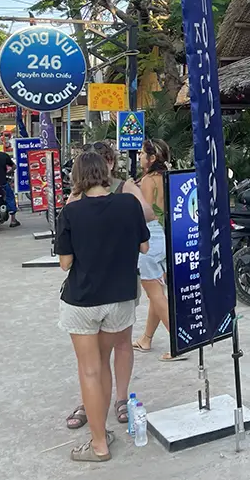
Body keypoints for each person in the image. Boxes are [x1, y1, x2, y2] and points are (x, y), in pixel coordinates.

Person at [56, 151, 149, 463]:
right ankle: (104, 430)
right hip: (120, 298)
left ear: (78, 179)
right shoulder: (128, 204)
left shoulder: (72, 212)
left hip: (83, 300)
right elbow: (144, 245)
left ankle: (99, 444)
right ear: (107, 172)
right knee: (105, 361)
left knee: (89, 369)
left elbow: (65, 263)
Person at [133, 139, 182, 361]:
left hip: (151, 236)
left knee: (154, 292)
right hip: (168, 235)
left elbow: (144, 213)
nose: (140, 157)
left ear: (152, 158)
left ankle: (177, 343)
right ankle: (146, 339)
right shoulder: (169, 178)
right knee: (157, 292)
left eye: (143, 154)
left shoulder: (147, 181)